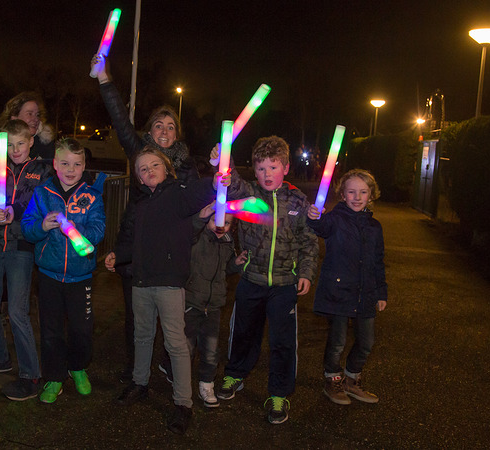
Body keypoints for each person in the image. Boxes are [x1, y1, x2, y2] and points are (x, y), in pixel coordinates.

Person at [92, 53, 199, 382]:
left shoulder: (186, 169)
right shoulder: (139, 153)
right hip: (134, 247)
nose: (164, 131)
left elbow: (197, 210)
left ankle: (170, 365)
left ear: (177, 134)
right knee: (136, 317)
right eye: (158, 125)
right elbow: (121, 120)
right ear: (150, 130)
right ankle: (136, 369)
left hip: (170, 255)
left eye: (171, 126)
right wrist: (104, 78)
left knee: (173, 320)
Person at [113, 146, 228, 435]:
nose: (149, 170)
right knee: (142, 336)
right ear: (139, 178)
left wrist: (214, 181)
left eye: (155, 165)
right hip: (141, 281)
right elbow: (137, 243)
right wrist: (118, 255)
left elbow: (197, 194)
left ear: (166, 169)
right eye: (143, 168)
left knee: (175, 343)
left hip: (169, 283)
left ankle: (183, 403)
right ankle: (140, 383)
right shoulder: (141, 207)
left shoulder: (177, 195)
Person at [212, 136, 319, 425]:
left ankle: (279, 394)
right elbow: (230, 181)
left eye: (273, 167)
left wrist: (306, 273)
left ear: (285, 167)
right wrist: (222, 159)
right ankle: (235, 374)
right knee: (244, 332)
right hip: (252, 279)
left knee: (283, 342)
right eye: (261, 169)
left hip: (285, 284)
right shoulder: (250, 194)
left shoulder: (298, 201)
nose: (267, 174)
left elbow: (308, 241)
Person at [20, 138, 106, 404]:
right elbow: (27, 226)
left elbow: (98, 228)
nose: (71, 169)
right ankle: (54, 377)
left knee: (81, 329)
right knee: (51, 330)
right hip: (49, 276)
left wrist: (80, 234)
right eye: (65, 163)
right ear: (55, 164)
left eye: (77, 164)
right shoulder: (42, 193)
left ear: (84, 166)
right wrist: (42, 227)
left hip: (81, 278)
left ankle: (78, 367)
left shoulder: (92, 196)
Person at [0, 120, 53, 401]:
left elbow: (39, 203)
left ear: (31, 141)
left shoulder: (42, 171)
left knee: (18, 313)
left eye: (21, 143)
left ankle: (31, 374)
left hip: (21, 249)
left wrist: (13, 211)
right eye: (9, 145)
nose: (15, 150)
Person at [306, 169, 387, 405]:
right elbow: (320, 226)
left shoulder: (375, 227)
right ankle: (332, 380)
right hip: (339, 292)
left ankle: (352, 379)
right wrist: (314, 216)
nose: (357, 196)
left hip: (366, 293)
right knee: (337, 342)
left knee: (366, 342)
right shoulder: (334, 219)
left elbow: (378, 261)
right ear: (342, 194)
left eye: (363, 192)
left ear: (371, 195)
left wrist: (381, 292)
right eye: (351, 191)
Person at [158, 204, 247, 408]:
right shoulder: (197, 238)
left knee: (210, 349)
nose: (221, 226)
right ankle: (174, 371)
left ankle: (206, 383)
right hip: (192, 302)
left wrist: (237, 263)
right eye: (216, 220)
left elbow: (226, 268)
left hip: (214, 304)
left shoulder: (227, 242)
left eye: (227, 223)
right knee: (185, 345)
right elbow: (189, 232)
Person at [0, 91, 56, 194]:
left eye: (37, 115)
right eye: (29, 114)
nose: (35, 119)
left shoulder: (45, 145)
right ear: (14, 117)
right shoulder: (0, 146)